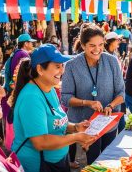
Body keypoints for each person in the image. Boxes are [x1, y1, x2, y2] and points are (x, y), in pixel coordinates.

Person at [10, 44, 96, 172]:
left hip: (58, 160)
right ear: (40, 69)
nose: (62, 71)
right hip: (39, 165)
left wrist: (75, 127)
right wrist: (76, 137)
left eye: (62, 66)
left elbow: (55, 123)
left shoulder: (49, 88)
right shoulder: (31, 97)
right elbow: (40, 142)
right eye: (57, 66)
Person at [61, 24, 125, 164]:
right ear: (83, 45)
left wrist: (111, 105)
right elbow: (65, 98)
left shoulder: (112, 61)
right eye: (92, 45)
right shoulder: (71, 66)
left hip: (109, 123)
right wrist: (87, 103)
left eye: (101, 45)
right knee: (93, 162)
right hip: (86, 126)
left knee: (109, 161)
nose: (97, 50)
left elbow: (121, 93)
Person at [2, 33, 36, 151]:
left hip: (13, 91)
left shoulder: (16, 53)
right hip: (18, 91)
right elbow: (19, 76)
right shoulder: (23, 54)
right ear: (26, 44)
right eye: (31, 42)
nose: (32, 44)